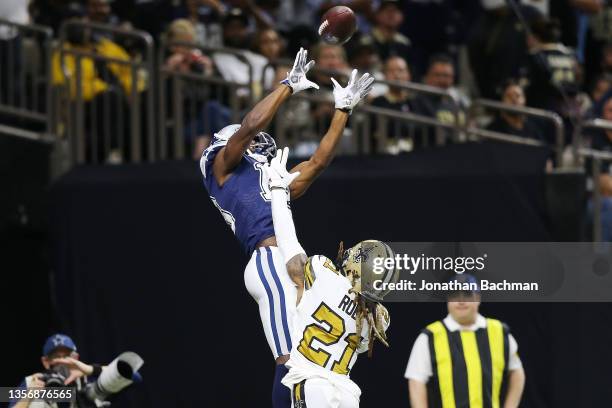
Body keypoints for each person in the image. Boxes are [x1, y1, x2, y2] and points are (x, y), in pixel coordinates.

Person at [199, 48, 374, 408]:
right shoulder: (223, 167)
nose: (263, 146)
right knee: (290, 359)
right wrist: (288, 86)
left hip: (290, 259)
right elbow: (249, 127)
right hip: (267, 259)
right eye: (256, 144)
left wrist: (343, 110)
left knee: (310, 357)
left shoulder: (272, 175)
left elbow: (319, 162)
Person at [262, 147, 397, 407]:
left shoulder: (324, 272)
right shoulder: (380, 318)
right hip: (346, 392)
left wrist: (279, 191)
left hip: (311, 383)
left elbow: (288, 241)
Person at [405, 275, 526, 408]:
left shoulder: (499, 332)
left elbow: (516, 372)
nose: (461, 300)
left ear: (478, 298)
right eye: (454, 294)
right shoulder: (430, 337)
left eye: (467, 293)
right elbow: (416, 382)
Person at [9, 334, 104, 408]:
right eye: (56, 357)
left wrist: (91, 369)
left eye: (67, 356)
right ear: (46, 362)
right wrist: (28, 396)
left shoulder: (86, 379)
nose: (62, 362)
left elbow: (117, 374)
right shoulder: (31, 382)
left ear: (76, 358)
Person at [371, 56, 414, 154]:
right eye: (391, 71)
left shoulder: (416, 101)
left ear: (408, 74)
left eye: (401, 70)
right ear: (385, 75)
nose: (397, 75)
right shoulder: (378, 103)